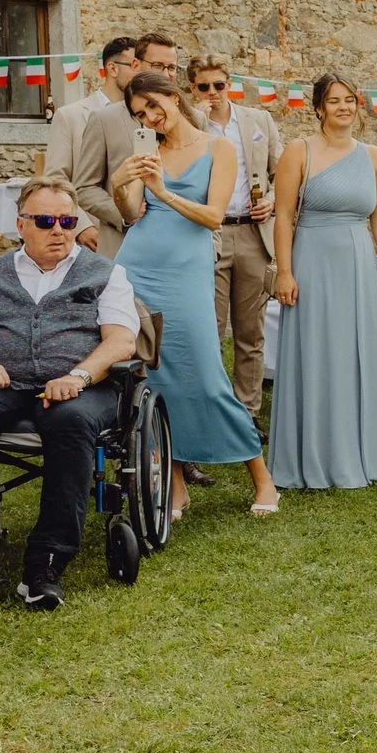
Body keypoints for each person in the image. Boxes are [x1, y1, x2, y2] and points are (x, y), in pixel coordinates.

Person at [0, 177, 142, 609]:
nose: (59, 230)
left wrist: (80, 376)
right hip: (5, 384)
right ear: (21, 225)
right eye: (46, 220)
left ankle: (46, 561)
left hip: (82, 388)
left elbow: (122, 341)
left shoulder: (106, 273)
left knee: (68, 420)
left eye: (67, 221)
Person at [110, 70, 281, 518]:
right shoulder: (149, 152)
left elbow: (212, 216)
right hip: (136, 265)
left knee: (205, 375)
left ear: (172, 95)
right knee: (154, 376)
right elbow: (131, 214)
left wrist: (163, 191)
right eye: (139, 114)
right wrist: (120, 184)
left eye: (152, 105)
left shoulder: (217, 148)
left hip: (185, 270)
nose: (149, 117)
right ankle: (177, 485)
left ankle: (263, 479)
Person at [270, 74, 377, 490]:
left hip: (360, 264)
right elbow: (283, 217)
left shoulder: (373, 155)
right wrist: (285, 271)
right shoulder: (299, 151)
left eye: (350, 100)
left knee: (357, 351)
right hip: (313, 259)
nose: (344, 107)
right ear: (319, 108)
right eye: (334, 101)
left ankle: (363, 452)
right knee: (318, 350)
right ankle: (314, 455)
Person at [188, 54, 281, 418]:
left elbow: (281, 171)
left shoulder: (259, 120)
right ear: (192, 88)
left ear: (230, 84)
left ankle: (247, 414)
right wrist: (196, 116)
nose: (213, 93)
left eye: (219, 85)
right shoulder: (190, 125)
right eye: (204, 86)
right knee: (208, 330)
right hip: (208, 232)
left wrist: (271, 201)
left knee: (250, 332)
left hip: (251, 231)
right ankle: (209, 411)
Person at [45, 35, 139, 255]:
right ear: (112, 68)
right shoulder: (71, 116)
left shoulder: (145, 116)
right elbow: (55, 179)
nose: (140, 72)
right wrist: (81, 226)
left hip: (139, 237)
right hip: (92, 237)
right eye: (133, 65)